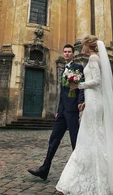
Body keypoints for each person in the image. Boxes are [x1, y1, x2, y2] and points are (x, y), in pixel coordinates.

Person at [56, 35, 113, 195]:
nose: (81, 48)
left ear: (90, 46)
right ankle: (94, 175)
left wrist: (78, 85)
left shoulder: (94, 60)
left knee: (88, 137)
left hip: (94, 102)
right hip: (93, 100)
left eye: (83, 46)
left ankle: (82, 178)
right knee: (94, 136)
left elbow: (97, 81)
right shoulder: (96, 59)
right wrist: (86, 99)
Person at [28, 44, 85, 180]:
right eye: (64, 51)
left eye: (69, 52)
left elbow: (81, 86)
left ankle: (81, 171)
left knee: (75, 141)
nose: (66, 54)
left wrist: (80, 102)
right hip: (63, 111)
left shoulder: (78, 67)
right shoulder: (64, 69)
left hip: (72, 110)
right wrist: (59, 110)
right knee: (54, 139)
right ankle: (45, 168)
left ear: (73, 54)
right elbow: (63, 93)